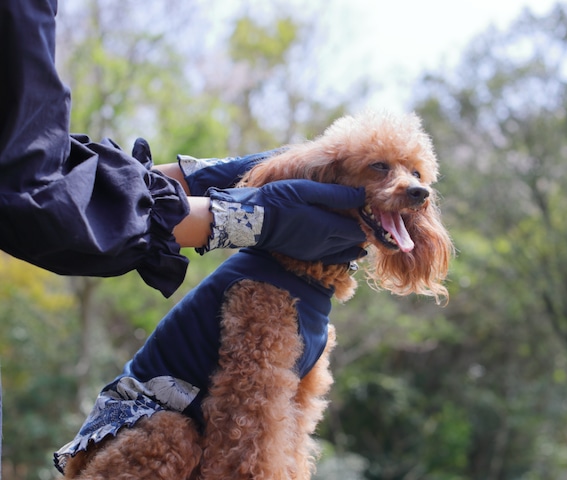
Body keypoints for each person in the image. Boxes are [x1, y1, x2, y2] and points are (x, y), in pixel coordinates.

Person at [0, 0, 367, 469]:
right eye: (378, 170)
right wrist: (245, 218)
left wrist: (206, 178)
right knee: (180, 435)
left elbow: (40, 153)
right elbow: (31, 189)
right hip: (144, 440)